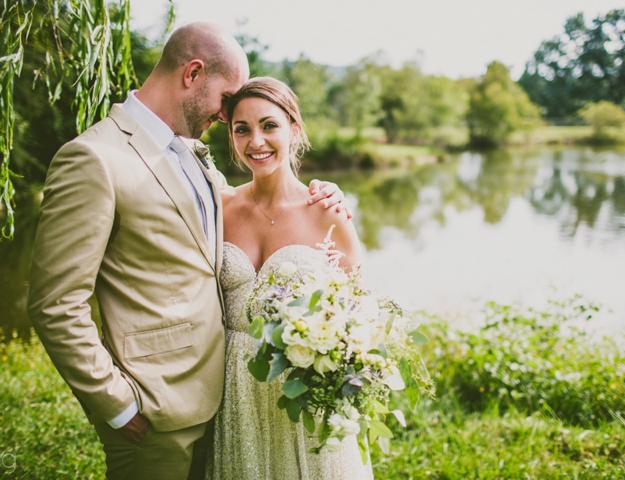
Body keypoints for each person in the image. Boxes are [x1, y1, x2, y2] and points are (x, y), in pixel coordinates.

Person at [26, 23, 348, 480]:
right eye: (227, 97)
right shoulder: (95, 159)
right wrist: (114, 404)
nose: (225, 116)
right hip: (153, 415)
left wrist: (321, 196)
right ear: (193, 73)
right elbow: (54, 303)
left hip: (222, 407)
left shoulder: (191, 154)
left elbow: (245, 210)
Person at [206, 77, 373, 479]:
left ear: (294, 129)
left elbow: (363, 306)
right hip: (233, 387)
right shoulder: (218, 205)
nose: (255, 141)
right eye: (241, 129)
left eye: (269, 125)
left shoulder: (326, 211)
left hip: (302, 389)